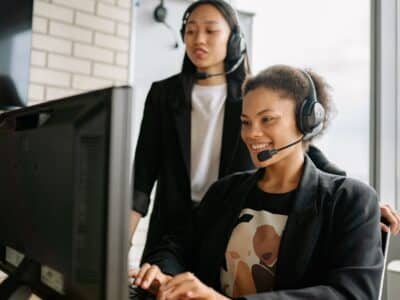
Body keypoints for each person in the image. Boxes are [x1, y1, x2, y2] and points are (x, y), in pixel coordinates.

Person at [130, 0, 400, 265]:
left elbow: (299, 147)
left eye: (211, 30)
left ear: (235, 40)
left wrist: (357, 204)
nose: (198, 39)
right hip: (172, 228)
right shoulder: (164, 94)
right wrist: (122, 242)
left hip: (226, 222)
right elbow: (142, 174)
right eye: (190, 30)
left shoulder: (252, 95)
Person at [130, 65, 384, 299]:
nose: (252, 133)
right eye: (245, 122)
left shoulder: (350, 200)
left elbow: (352, 294)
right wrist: (164, 274)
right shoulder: (225, 191)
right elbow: (176, 245)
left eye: (267, 119)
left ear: (306, 122)